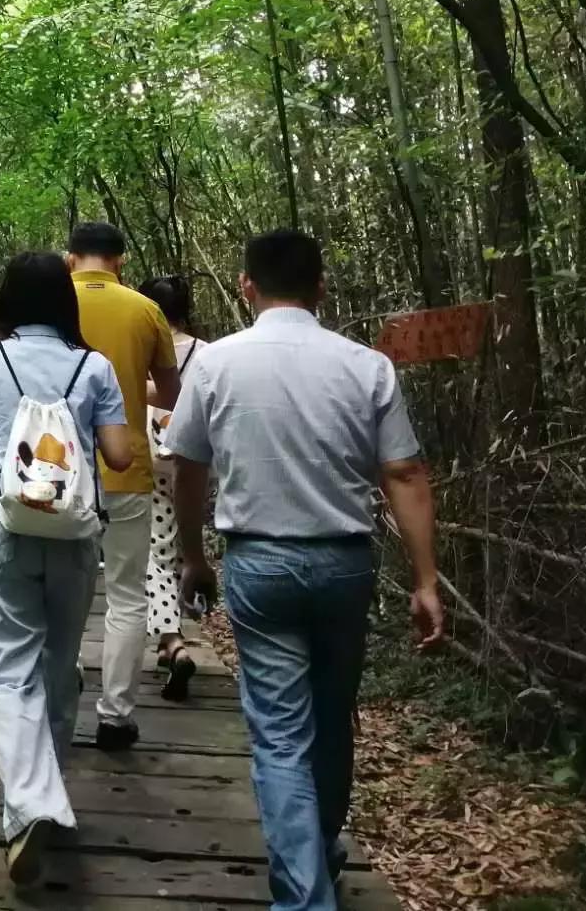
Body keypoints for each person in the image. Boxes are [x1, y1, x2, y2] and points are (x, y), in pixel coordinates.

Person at [168, 230, 444, 911]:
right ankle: (317, 850)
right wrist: (426, 579)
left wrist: (193, 555)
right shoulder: (365, 366)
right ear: (321, 288)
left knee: (280, 735)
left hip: (259, 565)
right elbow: (404, 471)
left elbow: (189, 467)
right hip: (344, 565)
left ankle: (305, 891)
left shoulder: (214, 364)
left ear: (245, 286)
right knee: (329, 716)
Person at [0, 252, 132, 885]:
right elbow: (118, 455)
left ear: (8, 301)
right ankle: (48, 793)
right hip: (73, 533)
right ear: (65, 302)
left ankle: (31, 805)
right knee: (62, 665)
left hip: (2, 528)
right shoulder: (94, 365)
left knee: (8, 667)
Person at [67, 221, 181, 750]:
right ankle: (115, 714)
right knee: (128, 597)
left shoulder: (50, 302)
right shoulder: (145, 309)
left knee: (61, 591)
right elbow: (170, 392)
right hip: (127, 468)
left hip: (58, 473)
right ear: (122, 260)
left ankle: (61, 685)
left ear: (71, 258)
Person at [138, 274, 208, 701]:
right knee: (184, 547)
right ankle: (176, 631)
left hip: (148, 459)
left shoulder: (140, 350)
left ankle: (172, 640)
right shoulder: (208, 354)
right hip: (194, 463)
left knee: (155, 552)